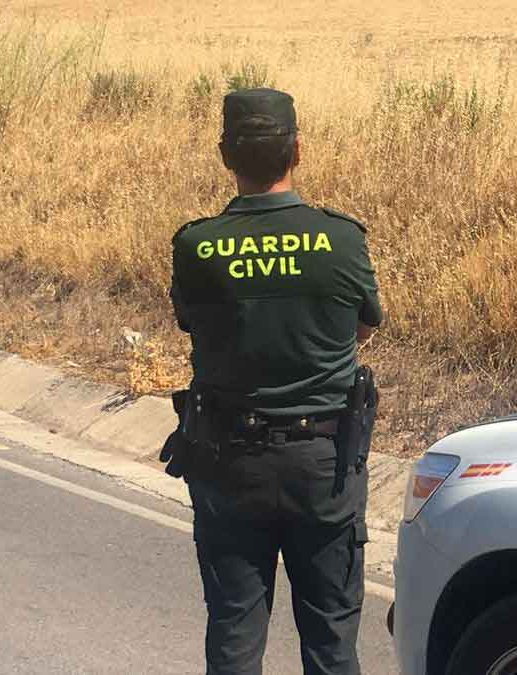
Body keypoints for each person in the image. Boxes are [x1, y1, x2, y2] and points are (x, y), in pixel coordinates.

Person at [162, 88, 383, 675]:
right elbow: (361, 330)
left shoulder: (196, 245)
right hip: (324, 464)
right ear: (298, 151)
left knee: (235, 632)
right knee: (332, 641)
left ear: (224, 156)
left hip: (228, 461)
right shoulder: (341, 239)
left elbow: (195, 325)